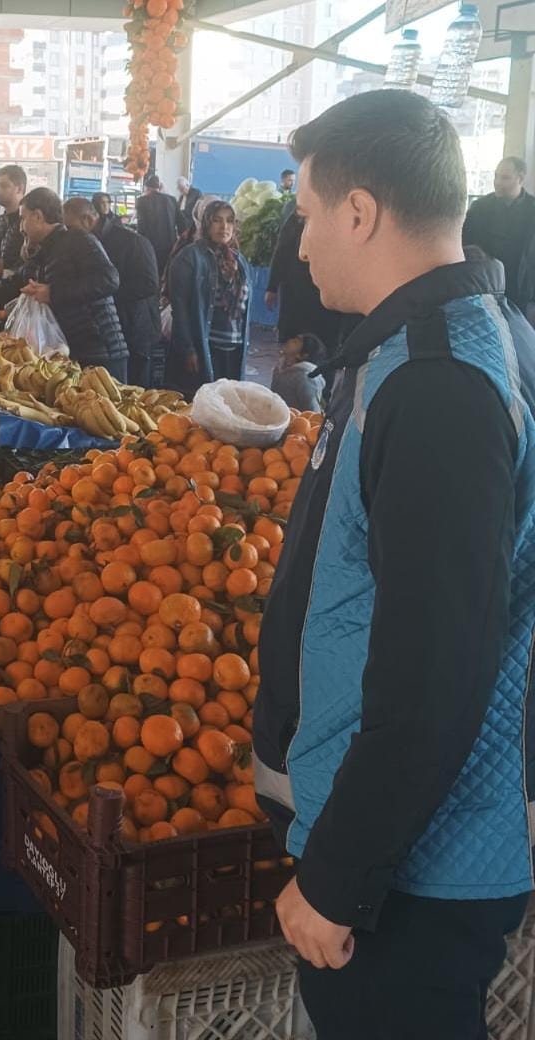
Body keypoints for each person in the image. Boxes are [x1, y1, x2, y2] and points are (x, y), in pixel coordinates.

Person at [253, 89, 535, 1040]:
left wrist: (339, 878)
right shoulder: (431, 348)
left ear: (361, 211)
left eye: (305, 212)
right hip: (402, 848)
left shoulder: (441, 380)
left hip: (420, 869)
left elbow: (436, 668)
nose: (299, 243)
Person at [0, 187, 127, 379]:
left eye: (23, 218)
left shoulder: (77, 239)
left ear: (38, 216)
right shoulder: (41, 253)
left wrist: (52, 293)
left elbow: (109, 279)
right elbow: (9, 288)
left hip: (101, 353)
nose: (21, 227)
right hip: (67, 353)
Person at [63, 196, 160, 386]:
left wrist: (105, 293)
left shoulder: (132, 241)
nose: (68, 234)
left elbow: (148, 283)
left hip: (133, 329)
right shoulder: (85, 244)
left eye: (71, 228)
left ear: (88, 220)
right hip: (104, 334)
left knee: (132, 392)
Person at [165, 199, 251, 395]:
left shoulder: (238, 260)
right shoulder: (189, 258)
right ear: (206, 223)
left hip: (234, 349)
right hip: (205, 349)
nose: (224, 226)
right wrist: (188, 350)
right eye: (217, 220)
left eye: (230, 221)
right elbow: (180, 310)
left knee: (228, 407)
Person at [266, 207, 344, 352]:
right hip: (297, 293)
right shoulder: (300, 214)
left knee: (326, 350)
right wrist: (272, 286)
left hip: (329, 298)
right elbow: (283, 249)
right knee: (294, 347)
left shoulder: (345, 215)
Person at [463, 156, 535, 309]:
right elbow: (465, 244)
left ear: (520, 178)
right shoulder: (479, 208)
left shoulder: (532, 210)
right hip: (483, 290)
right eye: (496, 176)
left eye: (505, 178)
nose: (497, 182)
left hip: (521, 294)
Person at [135, 174, 180, 275]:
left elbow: (141, 226)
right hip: (170, 245)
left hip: (151, 245)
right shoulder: (172, 200)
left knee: (152, 272)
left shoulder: (142, 201)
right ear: (159, 187)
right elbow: (182, 225)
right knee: (166, 273)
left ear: (147, 187)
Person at [268, 332, 325, 412]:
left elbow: (313, 413)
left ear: (302, 355)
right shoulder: (280, 368)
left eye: (295, 342)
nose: (289, 340)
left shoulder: (305, 379)